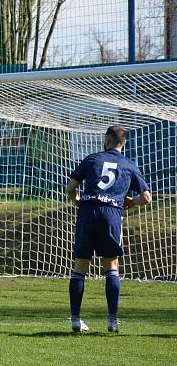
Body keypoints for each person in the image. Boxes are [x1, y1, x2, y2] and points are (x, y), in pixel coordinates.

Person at [66, 125, 151, 333]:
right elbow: (147, 198)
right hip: (111, 214)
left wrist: (78, 201)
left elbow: (70, 188)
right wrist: (132, 202)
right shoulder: (129, 165)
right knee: (111, 266)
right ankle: (112, 320)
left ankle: (76, 320)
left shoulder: (92, 158)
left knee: (80, 266)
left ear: (106, 140)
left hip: (88, 212)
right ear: (124, 144)